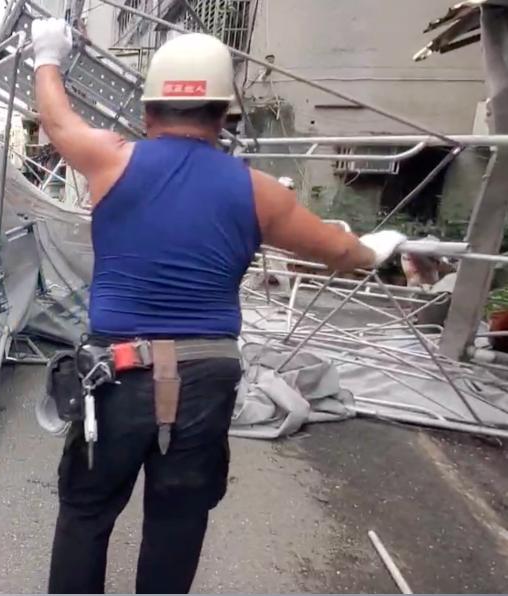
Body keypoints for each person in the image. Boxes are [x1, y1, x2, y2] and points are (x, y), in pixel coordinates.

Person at [30, 20, 406, 594]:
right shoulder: (258, 190)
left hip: (117, 373)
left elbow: (56, 120)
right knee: (177, 521)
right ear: (224, 116)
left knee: (86, 514)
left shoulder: (111, 159)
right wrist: (378, 248)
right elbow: (343, 253)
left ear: (149, 108)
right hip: (206, 379)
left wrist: (46, 55)